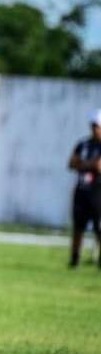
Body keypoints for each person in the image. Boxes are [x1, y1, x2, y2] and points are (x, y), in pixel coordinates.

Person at [68, 108, 101, 268]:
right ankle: (74, 259)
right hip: (81, 191)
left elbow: (99, 167)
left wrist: (82, 165)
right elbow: (71, 163)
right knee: (78, 227)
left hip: (98, 192)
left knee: (98, 227)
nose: (95, 129)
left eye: (98, 126)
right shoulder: (83, 144)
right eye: (93, 125)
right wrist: (90, 165)